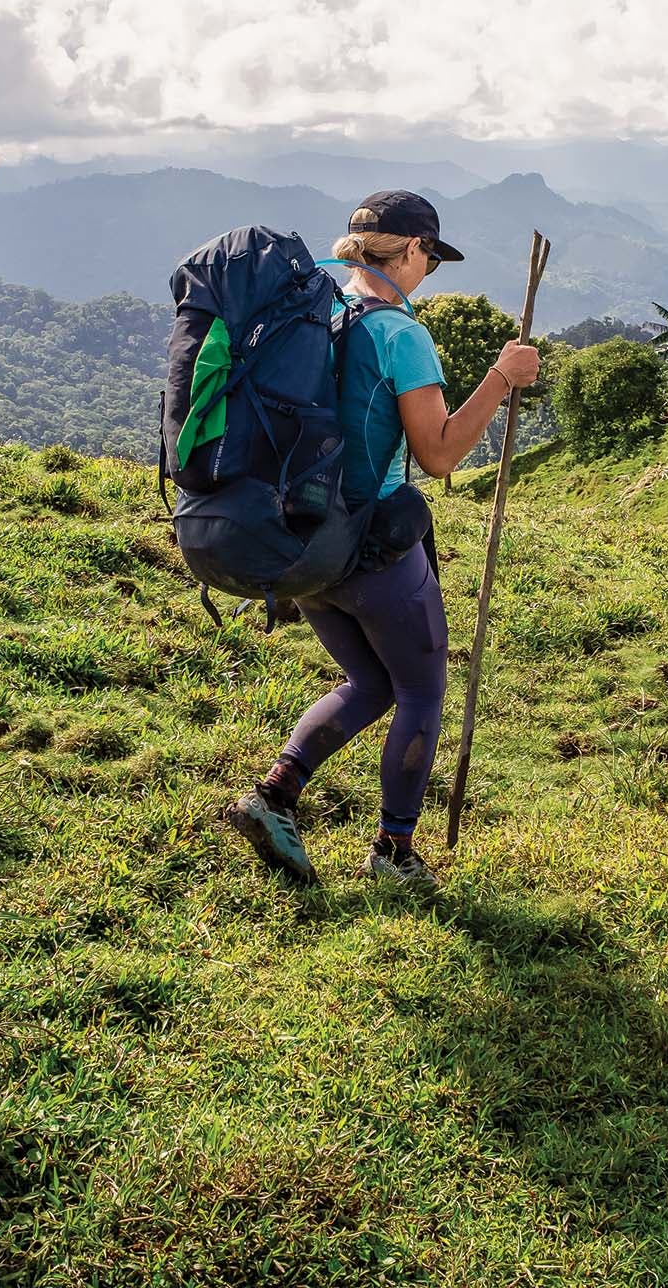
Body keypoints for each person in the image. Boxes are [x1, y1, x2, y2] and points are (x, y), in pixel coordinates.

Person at [221, 190, 540, 890]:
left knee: (370, 680)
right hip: (371, 545)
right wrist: (501, 377)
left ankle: (273, 796)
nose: (431, 269)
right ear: (415, 250)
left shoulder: (317, 312)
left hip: (305, 545)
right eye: (431, 255)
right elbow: (441, 454)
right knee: (421, 691)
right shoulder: (400, 332)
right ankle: (394, 854)